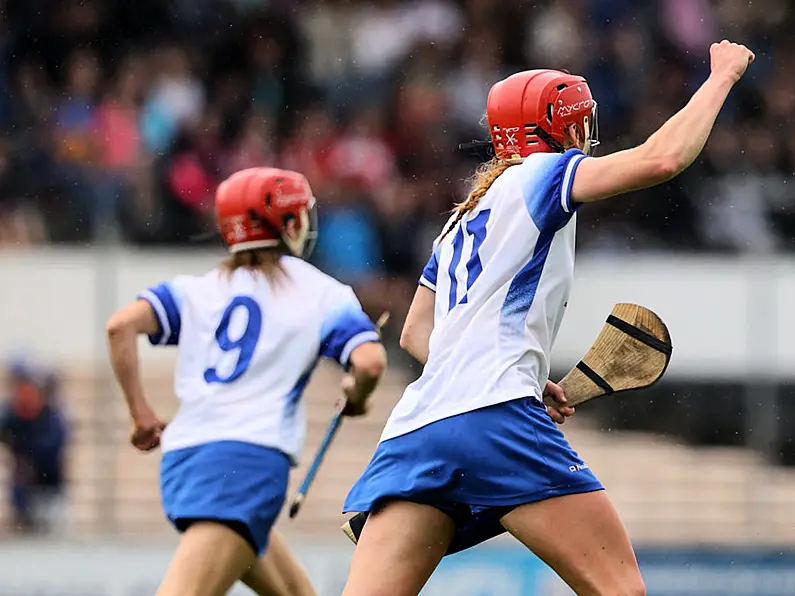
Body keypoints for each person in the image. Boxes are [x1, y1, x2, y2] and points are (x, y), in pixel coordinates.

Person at [341, 40, 754, 596]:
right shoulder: (541, 175)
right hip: (495, 418)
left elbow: (418, 333)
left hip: (415, 431)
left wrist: (525, 381)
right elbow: (663, 158)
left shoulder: (461, 217)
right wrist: (722, 78)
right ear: (558, 129)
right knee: (620, 590)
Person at [106, 166, 387, 596]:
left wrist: (141, 413)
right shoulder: (319, 291)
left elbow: (119, 327)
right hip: (249, 464)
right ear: (290, 224)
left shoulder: (196, 289)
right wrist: (359, 397)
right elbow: (368, 364)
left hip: (186, 462)